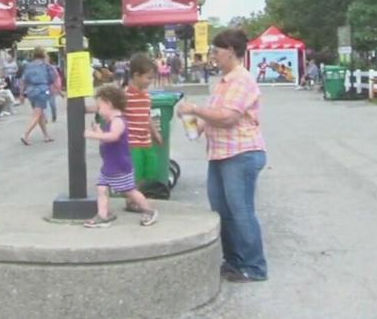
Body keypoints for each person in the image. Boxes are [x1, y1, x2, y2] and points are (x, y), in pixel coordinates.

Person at [177, 28, 268, 283]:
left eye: (216, 51)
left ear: (230, 51)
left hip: (241, 153)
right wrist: (193, 122)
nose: (213, 56)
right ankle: (234, 261)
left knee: (241, 211)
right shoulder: (224, 82)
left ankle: (254, 266)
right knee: (222, 210)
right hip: (220, 154)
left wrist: (196, 109)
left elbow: (228, 117)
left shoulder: (241, 80)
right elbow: (213, 116)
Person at [83, 85, 158, 228]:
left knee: (130, 191)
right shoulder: (111, 122)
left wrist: (93, 135)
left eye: (100, 107)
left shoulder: (118, 121)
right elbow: (107, 139)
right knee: (101, 189)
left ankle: (149, 210)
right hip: (109, 165)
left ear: (109, 104)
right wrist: (99, 131)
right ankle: (102, 216)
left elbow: (113, 136)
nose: (99, 111)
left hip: (120, 166)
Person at [20, 47, 56, 145]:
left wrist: (21, 94)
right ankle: (25, 135)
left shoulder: (28, 66)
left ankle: (46, 135)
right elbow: (52, 78)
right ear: (43, 54)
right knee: (37, 114)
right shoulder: (46, 66)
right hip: (42, 91)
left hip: (30, 91)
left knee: (40, 114)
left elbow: (23, 80)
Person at [46, 54, 62, 123]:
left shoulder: (52, 68)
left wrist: (58, 90)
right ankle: (45, 118)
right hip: (43, 89)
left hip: (51, 89)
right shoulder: (40, 68)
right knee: (44, 104)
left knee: (52, 103)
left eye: (46, 59)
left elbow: (56, 78)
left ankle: (54, 116)